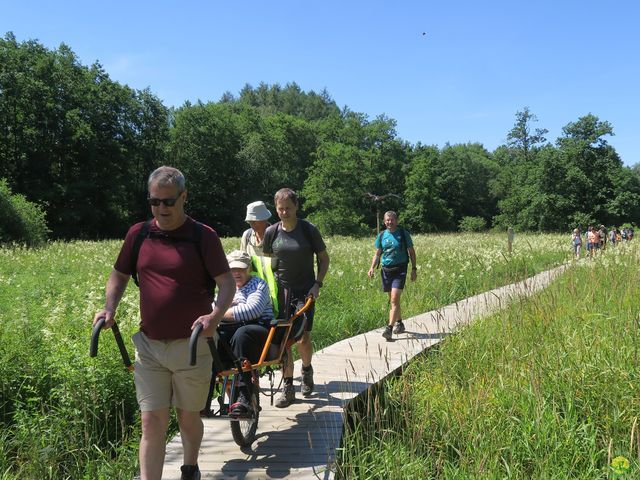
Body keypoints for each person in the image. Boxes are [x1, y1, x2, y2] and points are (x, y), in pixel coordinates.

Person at [92, 166, 235, 480]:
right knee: (151, 422)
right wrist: (109, 308)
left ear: (183, 197)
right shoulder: (139, 234)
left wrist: (214, 317)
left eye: (168, 201)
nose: (161, 208)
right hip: (150, 346)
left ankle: (189, 466)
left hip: (193, 345)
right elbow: (119, 275)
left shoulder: (202, 236)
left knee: (188, 417)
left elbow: (227, 283)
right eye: (155, 202)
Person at [262, 188, 330, 408]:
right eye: (280, 209)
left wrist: (317, 284)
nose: (284, 213)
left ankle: (307, 370)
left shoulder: (308, 230)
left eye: (288, 209)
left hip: (305, 292)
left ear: (296, 207)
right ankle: (288, 387)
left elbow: (324, 258)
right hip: (281, 294)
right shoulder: (272, 232)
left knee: (302, 338)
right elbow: (268, 264)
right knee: (284, 341)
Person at [216, 250, 274, 417]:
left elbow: (252, 311)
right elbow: (212, 307)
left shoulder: (258, 284)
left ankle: (245, 396)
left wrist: (220, 312)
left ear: (248, 268)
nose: (236, 273)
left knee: (243, 333)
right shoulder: (226, 287)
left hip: (258, 329)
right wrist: (218, 313)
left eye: (240, 269)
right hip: (231, 328)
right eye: (232, 269)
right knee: (212, 337)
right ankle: (204, 396)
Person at [367, 211, 417, 341]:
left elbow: (411, 252)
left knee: (394, 299)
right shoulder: (382, 235)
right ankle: (399, 323)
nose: (390, 222)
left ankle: (389, 329)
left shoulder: (403, 234)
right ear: (384, 221)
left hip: (400, 269)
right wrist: (372, 267)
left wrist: (414, 269)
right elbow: (377, 253)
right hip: (386, 271)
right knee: (393, 300)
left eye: (392, 220)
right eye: (387, 220)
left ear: (397, 220)